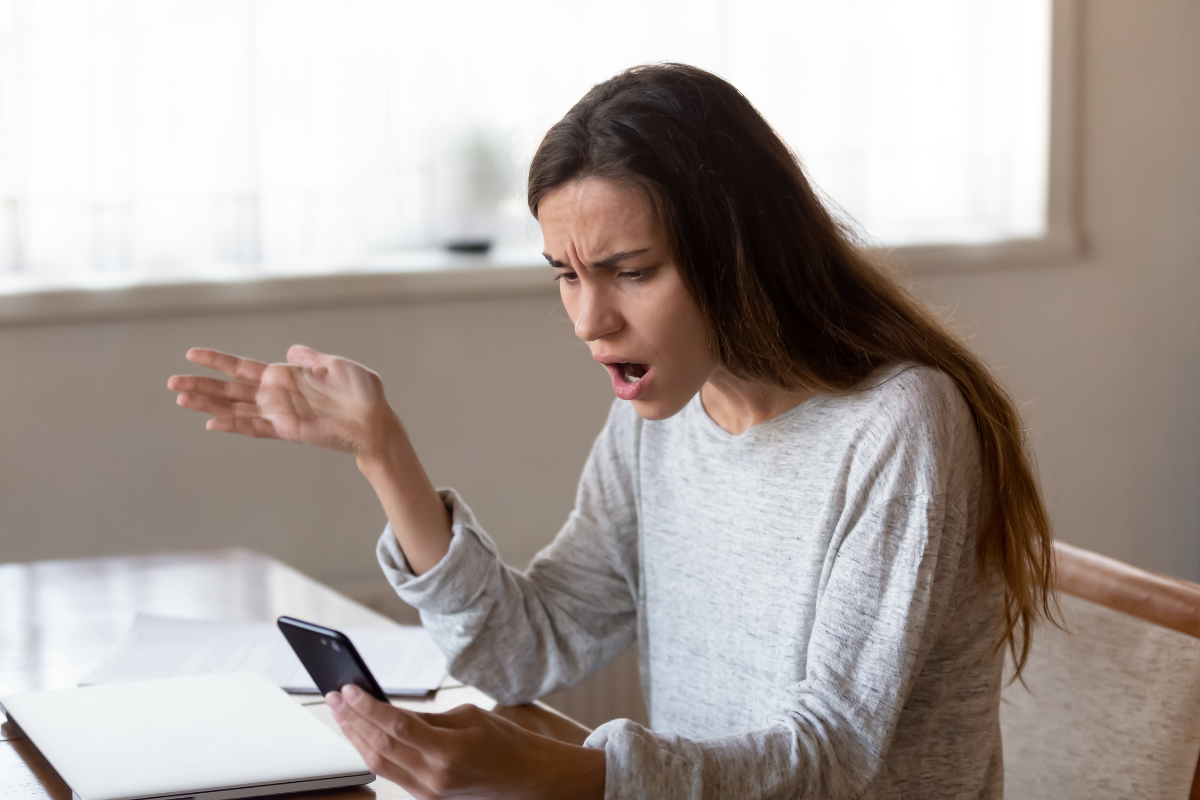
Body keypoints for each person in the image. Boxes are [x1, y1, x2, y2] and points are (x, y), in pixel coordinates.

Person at [168, 64, 1055, 799]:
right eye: (565, 275)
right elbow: (527, 649)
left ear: (738, 250)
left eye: (629, 272)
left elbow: (833, 758)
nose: (590, 321)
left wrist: (563, 771)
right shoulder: (661, 417)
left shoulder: (900, 425)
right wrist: (382, 452)